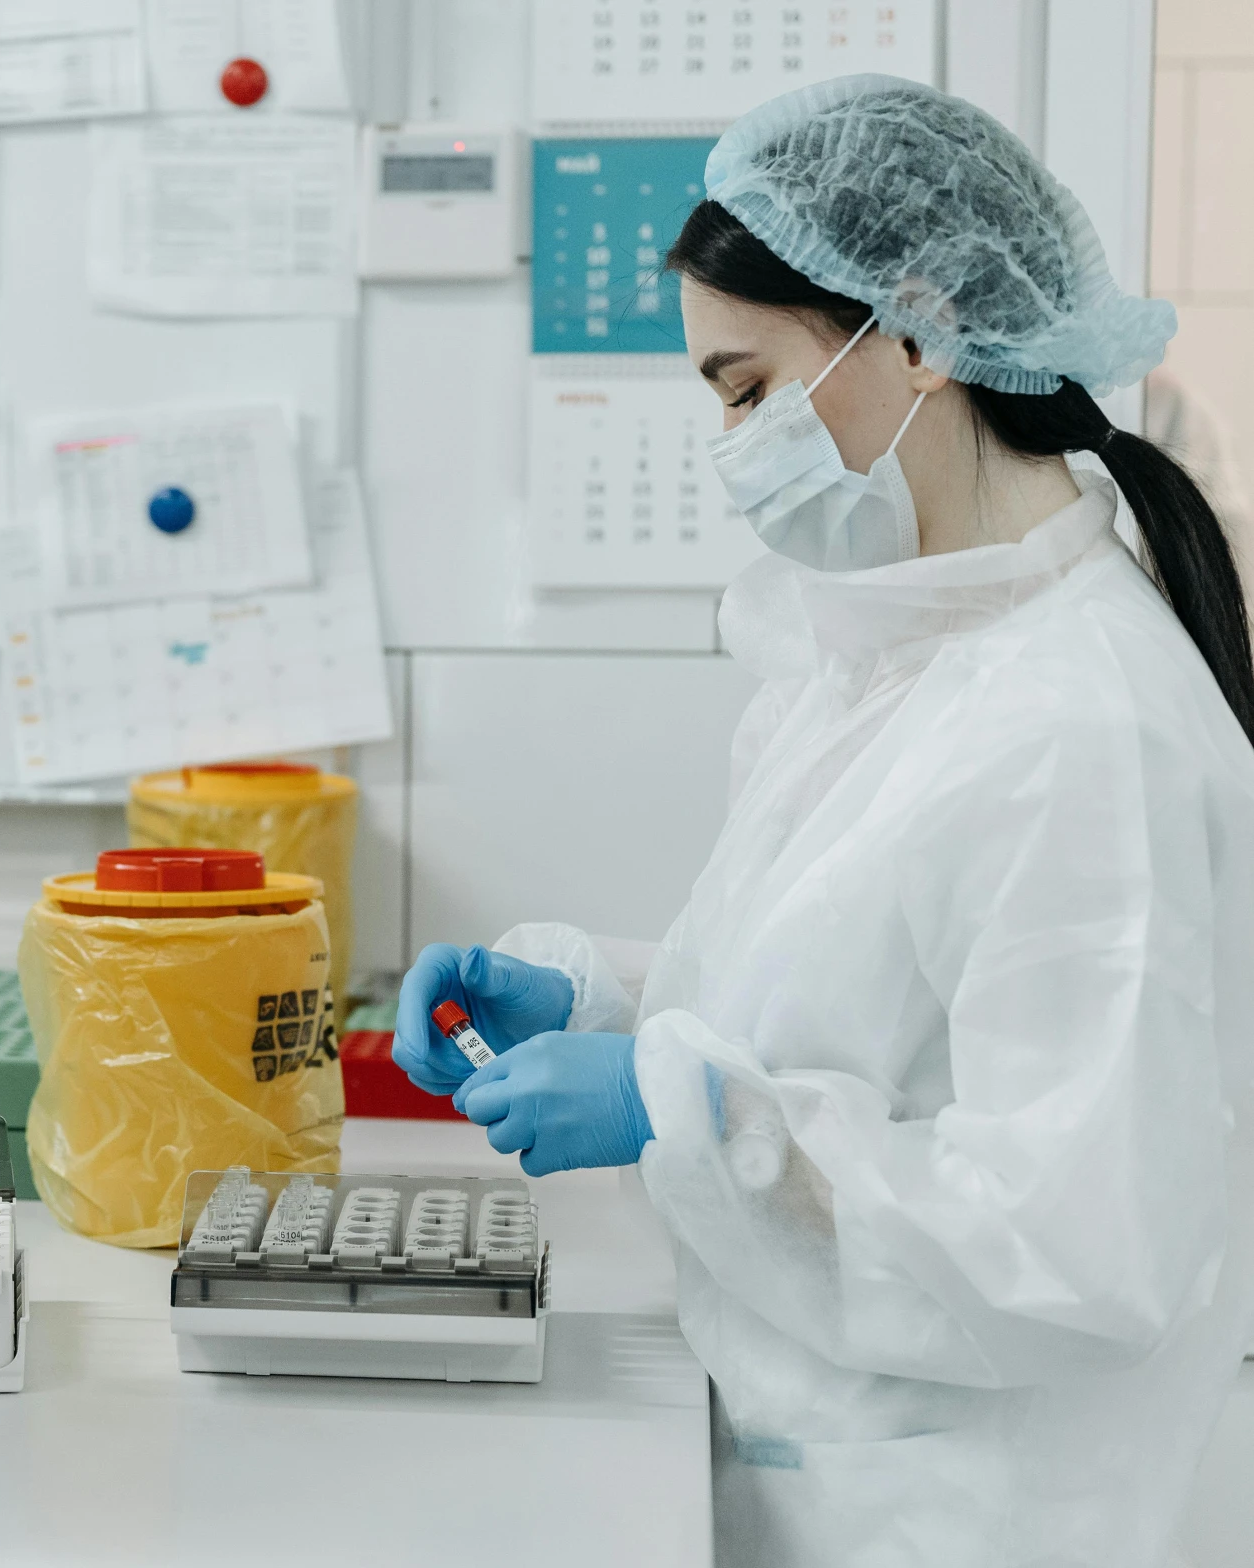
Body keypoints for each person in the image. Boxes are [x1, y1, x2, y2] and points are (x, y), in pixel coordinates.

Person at [394, 75, 1254, 1567]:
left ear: (916, 333)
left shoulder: (1082, 730)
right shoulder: (901, 654)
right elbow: (872, 1010)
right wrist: (604, 994)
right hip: (842, 1475)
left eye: (745, 388)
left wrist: (681, 1108)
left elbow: (1068, 1244)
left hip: (980, 1517)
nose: (732, 443)